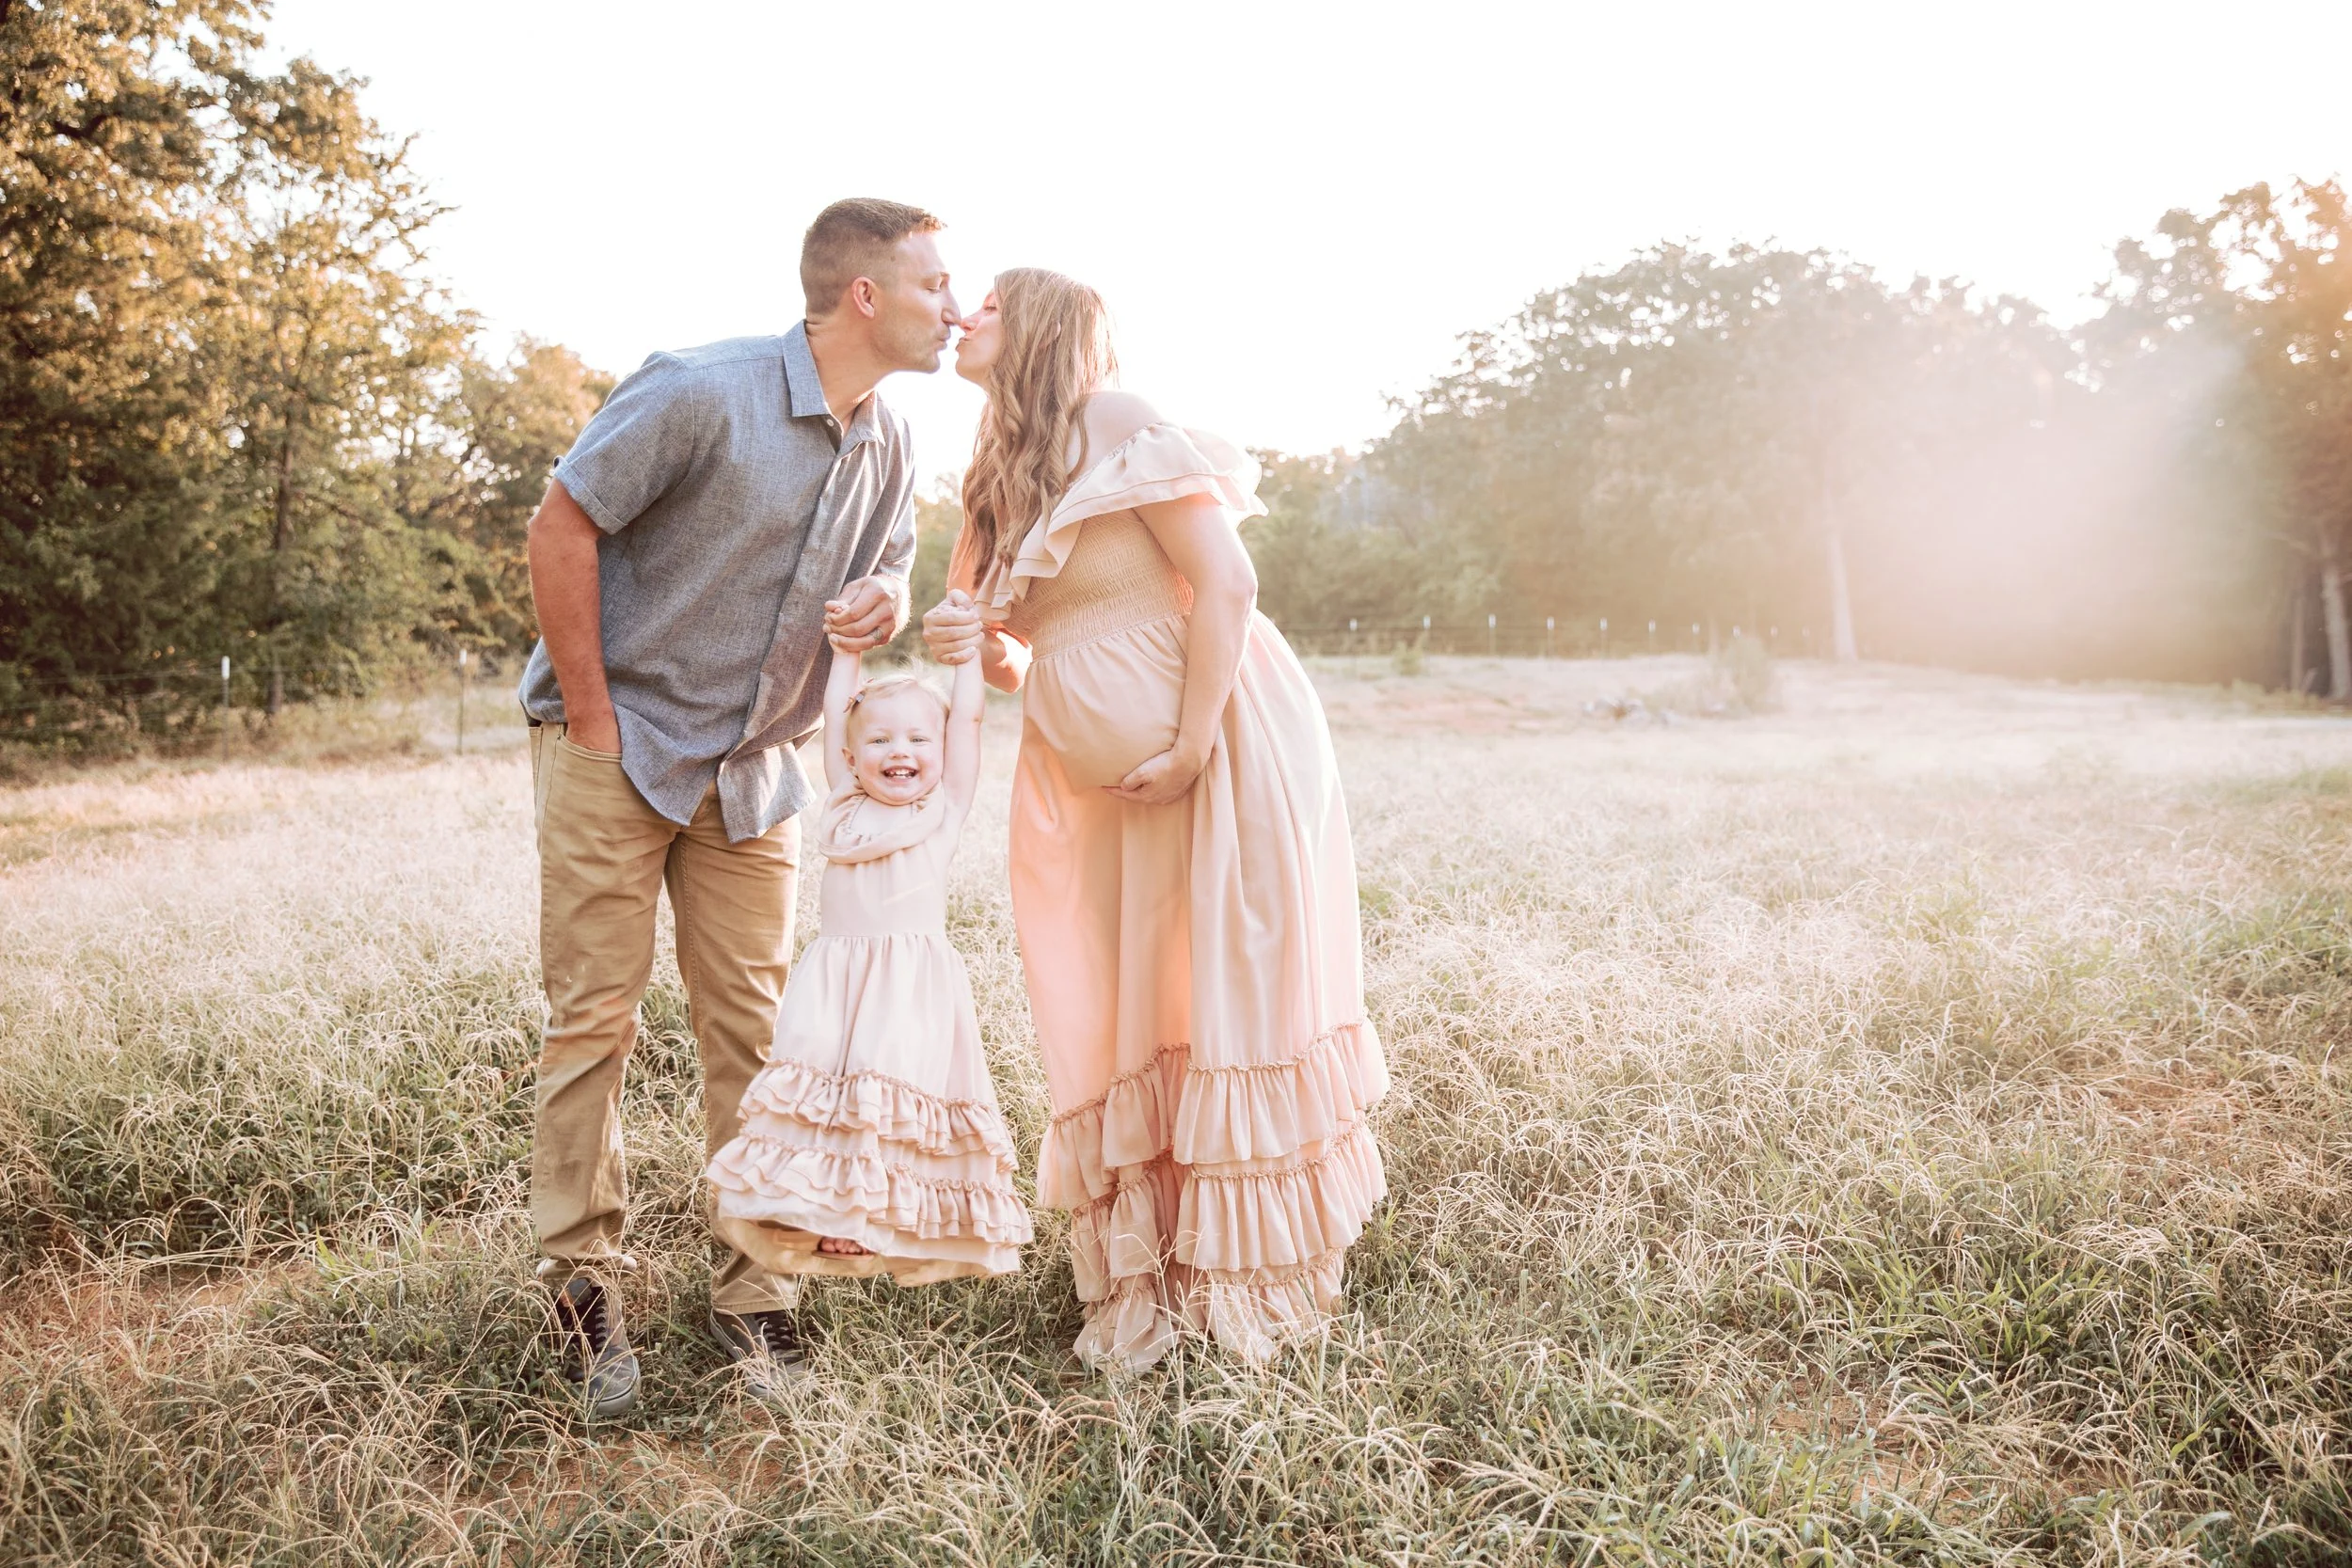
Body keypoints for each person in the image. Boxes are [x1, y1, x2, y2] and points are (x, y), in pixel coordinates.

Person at [518, 198, 958, 1416]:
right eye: (934, 284)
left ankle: (757, 1296)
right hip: (621, 745)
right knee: (594, 1019)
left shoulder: (895, 438)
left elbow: (888, 572)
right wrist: (598, 720)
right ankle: (579, 1288)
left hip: (758, 769)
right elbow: (561, 522)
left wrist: (883, 600)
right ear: (862, 294)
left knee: (759, 1038)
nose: (954, 306)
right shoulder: (699, 390)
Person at [924, 269, 1390, 1370]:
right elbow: (1038, 644)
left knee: (1225, 989)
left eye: (987, 302)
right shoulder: (994, 470)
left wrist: (1186, 744)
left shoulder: (1119, 422)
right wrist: (1000, 654)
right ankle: (1163, 1262)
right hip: (1100, 792)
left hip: (1221, 744)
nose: (962, 317)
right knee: (1131, 1001)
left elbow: (1226, 582)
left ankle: (1252, 1280)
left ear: (1037, 327)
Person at [705, 610, 1032, 1284]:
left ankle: (868, 1220)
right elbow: (834, 705)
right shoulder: (846, 804)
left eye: (918, 738)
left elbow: (968, 721)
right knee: (827, 1095)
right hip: (837, 977)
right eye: (880, 739)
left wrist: (968, 655)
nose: (900, 751)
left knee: (887, 1099)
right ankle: (822, 1213)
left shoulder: (943, 808)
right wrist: (846, 648)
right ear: (851, 756)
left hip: (910, 984)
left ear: (939, 752)